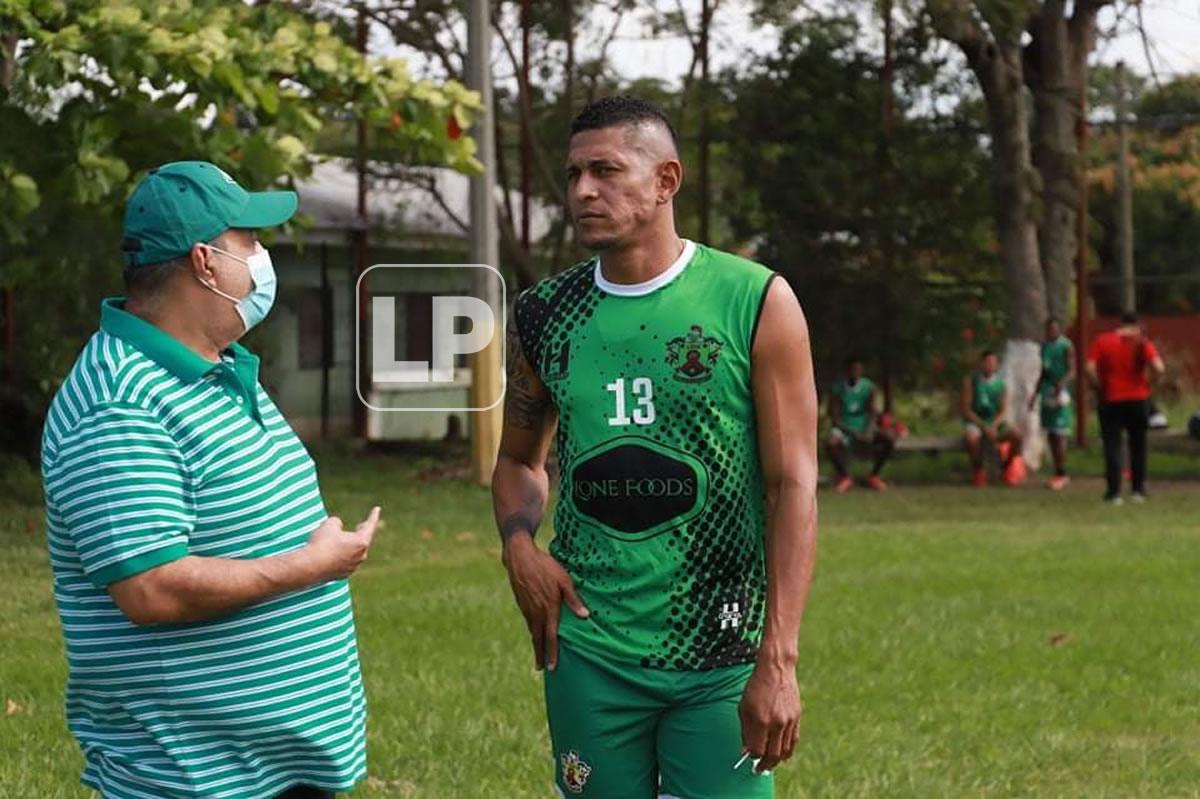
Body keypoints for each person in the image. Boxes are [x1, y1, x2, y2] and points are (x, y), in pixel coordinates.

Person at [493, 96, 818, 798]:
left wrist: (779, 658)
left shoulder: (754, 300)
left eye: (605, 170)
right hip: (589, 648)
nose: (582, 190)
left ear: (667, 179)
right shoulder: (546, 313)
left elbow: (793, 482)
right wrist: (519, 544)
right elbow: (518, 459)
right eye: (574, 173)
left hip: (721, 649)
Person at [40, 162, 382, 799]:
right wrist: (310, 567)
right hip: (195, 778)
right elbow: (151, 589)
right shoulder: (119, 401)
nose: (262, 256)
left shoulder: (217, 368)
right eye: (249, 241)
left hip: (263, 770)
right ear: (204, 261)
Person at [1086, 311, 1166, 504]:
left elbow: (1089, 368)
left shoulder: (1103, 341)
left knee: (1112, 444)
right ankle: (1138, 489)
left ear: (1120, 323)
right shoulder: (1141, 342)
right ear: (1137, 324)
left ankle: (1114, 492)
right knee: (1138, 444)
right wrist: (1148, 384)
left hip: (1112, 398)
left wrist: (1099, 386)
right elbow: (1159, 368)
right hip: (1138, 399)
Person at [826, 357, 895, 492]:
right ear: (846, 371)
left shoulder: (869, 387)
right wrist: (852, 432)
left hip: (863, 426)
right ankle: (845, 477)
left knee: (889, 439)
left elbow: (873, 412)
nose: (855, 373)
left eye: (858, 370)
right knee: (831, 443)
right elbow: (834, 418)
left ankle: (874, 476)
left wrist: (868, 431)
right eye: (852, 370)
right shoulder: (837, 389)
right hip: (845, 427)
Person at [961, 350, 1025, 487]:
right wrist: (983, 426)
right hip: (976, 421)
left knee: (1017, 435)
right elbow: (966, 410)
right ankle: (978, 470)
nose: (990, 365)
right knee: (971, 439)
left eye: (993, 362)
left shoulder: (1001, 385)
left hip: (994, 422)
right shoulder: (971, 382)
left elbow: (1003, 411)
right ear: (981, 364)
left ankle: (1006, 466)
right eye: (987, 362)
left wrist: (994, 425)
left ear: (997, 365)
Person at [1027, 318, 1075, 490]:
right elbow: (1043, 372)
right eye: (1049, 329)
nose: (1051, 332)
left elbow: (1072, 370)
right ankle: (1057, 471)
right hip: (1047, 390)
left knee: (1059, 433)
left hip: (1059, 391)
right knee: (1050, 433)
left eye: (1054, 329)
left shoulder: (1066, 346)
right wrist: (1035, 394)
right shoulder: (1044, 347)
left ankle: (1062, 472)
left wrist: (1062, 383)